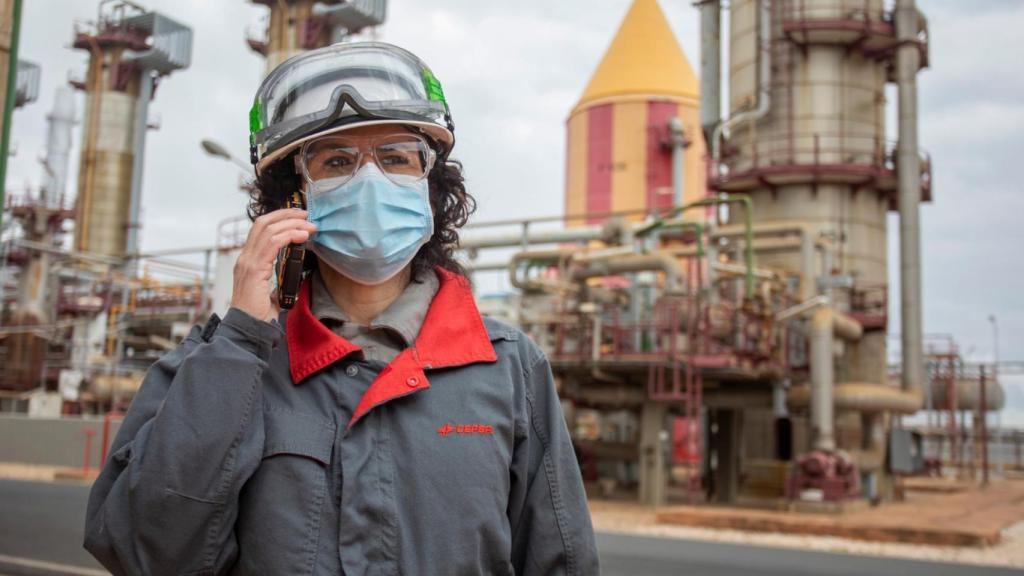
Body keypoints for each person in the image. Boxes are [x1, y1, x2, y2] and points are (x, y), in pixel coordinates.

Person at [83, 41, 599, 575]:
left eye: (397, 157)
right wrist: (238, 341)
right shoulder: (222, 361)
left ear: (431, 185)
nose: (370, 180)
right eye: (336, 161)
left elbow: (561, 561)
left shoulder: (510, 367)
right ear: (293, 199)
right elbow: (143, 551)